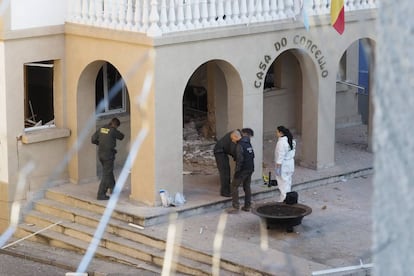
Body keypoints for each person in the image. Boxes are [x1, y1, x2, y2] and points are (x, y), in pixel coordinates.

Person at [214, 128, 254, 197]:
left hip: (227, 149)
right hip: (219, 151)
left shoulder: (243, 139)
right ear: (246, 135)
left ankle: (231, 188)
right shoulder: (235, 137)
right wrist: (238, 170)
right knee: (225, 171)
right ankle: (225, 192)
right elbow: (237, 156)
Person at [91, 118, 125, 200]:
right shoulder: (113, 131)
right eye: (117, 126)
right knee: (106, 174)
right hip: (108, 155)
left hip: (101, 154)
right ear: (115, 125)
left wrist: (100, 144)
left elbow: (93, 139)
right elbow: (121, 136)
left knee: (108, 171)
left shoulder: (102, 128)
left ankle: (113, 188)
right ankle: (101, 194)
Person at [227, 130, 255, 213]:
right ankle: (247, 206)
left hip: (243, 170)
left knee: (234, 186)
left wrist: (237, 172)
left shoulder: (239, 145)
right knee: (247, 186)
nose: (232, 140)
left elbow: (240, 160)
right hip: (250, 168)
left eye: (232, 139)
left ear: (236, 137)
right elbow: (252, 156)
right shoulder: (248, 143)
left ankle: (235, 207)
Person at [274, 126, 296, 202]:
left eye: (277, 132)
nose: (276, 133)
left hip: (283, 164)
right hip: (290, 163)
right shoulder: (292, 141)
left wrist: (277, 169)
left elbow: (280, 156)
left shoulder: (281, 143)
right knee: (288, 182)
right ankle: (288, 198)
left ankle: (284, 200)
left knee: (282, 184)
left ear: (281, 133)